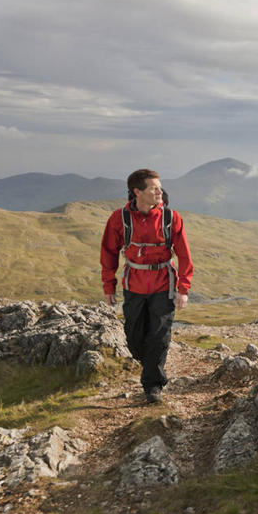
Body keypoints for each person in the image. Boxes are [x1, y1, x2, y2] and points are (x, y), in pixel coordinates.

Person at [100, 169, 193, 403]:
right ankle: (148, 363)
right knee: (134, 338)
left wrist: (183, 289)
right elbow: (109, 252)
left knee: (159, 336)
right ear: (137, 192)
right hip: (134, 285)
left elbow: (183, 255)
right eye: (153, 188)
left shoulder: (171, 218)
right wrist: (108, 286)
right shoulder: (119, 219)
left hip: (164, 284)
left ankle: (153, 386)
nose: (159, 191)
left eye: (159, 187)